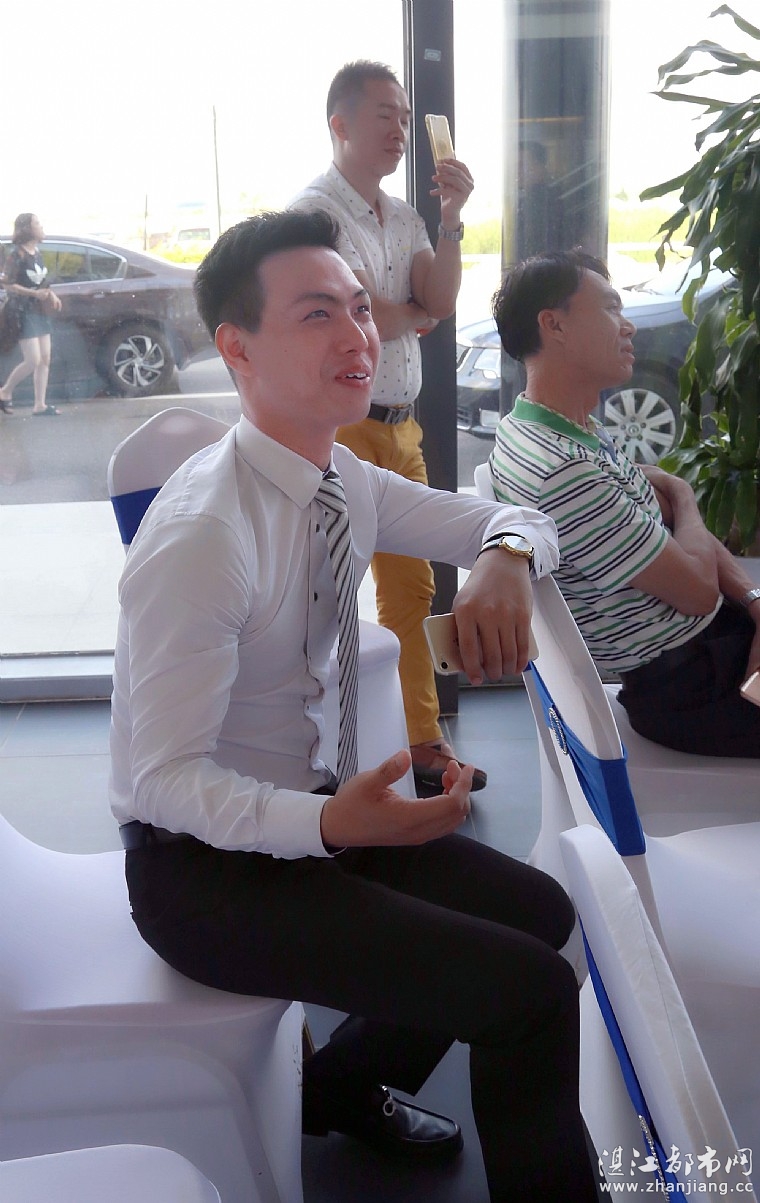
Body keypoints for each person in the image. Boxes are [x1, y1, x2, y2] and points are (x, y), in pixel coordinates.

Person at [109, 209, 599, 1202]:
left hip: (325, 816)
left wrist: (504, 558)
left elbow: (518, 518)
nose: (357, 336)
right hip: (205, 871)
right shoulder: (207, 532)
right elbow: (160, 782)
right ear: (237, 349)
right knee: (532, 995)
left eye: (361, 309)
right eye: (317, 314)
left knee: (545, 914)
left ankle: (334, 1087)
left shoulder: (340, 477)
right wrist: (333, 823)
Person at [289, 61, 485, 795]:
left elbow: (438, 298)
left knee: (412, 588)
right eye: (384, 116)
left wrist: (451, 218)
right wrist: (399, 311)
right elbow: (365, 315)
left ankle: (420, 740)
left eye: (404, 117)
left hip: (402, 428)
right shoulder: (315, 216)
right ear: (339, 125)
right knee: (326, 591)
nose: (400, 130)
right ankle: (321, 750)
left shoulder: (404, 217)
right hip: (338, 429)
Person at [489, 249, 760, 757]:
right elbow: (699, 591)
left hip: (713, 649)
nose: (628, 326)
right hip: (694, 686)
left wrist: (753, 602)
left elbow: (669, 528)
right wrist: (683, 491)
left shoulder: (551, 428)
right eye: (611, 309)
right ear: (554, 325)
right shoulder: (564, 468)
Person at [0, 213, 62, 416]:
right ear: (27, 229)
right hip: (22, 310)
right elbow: (7, 284)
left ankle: (40, 405)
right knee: (33, 359)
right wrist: (34, 293)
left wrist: (51, 294)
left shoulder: (37, 253)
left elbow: (41, 280)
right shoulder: (16, 255)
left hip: (38, 310)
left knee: (45, 358)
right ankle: (4, 391)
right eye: (37, 223)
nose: (41, 226)